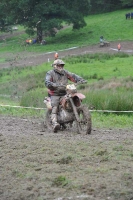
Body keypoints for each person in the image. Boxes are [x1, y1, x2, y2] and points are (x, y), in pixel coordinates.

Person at [45, 59, 86, 132]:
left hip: (65, 92)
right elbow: (47, 81)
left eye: (62, 65)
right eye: (59, 65)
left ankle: (73, 116)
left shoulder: (65, 72)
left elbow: (72, 76)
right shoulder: (50, 73)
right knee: (55, 105)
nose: (60, 67)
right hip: (55, 93)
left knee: (72, 99)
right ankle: (54, 123)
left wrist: (80, 79)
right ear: (55, 66)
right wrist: (52, 84)